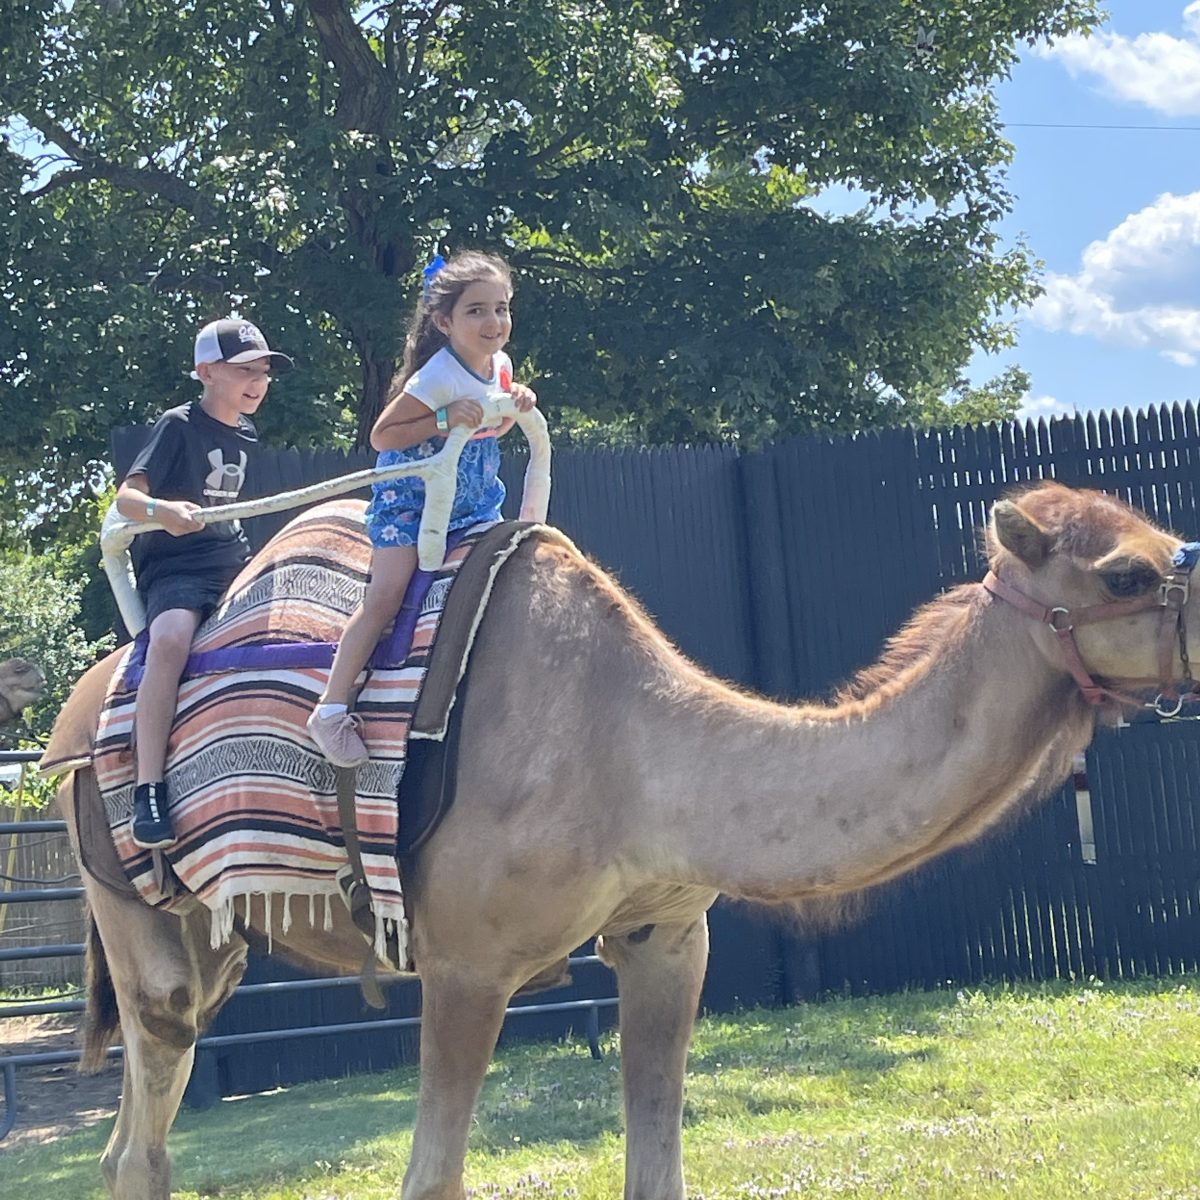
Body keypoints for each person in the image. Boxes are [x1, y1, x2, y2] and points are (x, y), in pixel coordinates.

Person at [307, 250, 537, 767]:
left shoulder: (499, 365)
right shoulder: (435, 377)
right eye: (476, 310)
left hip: (472, 496)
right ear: (444, 321)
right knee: (386, 594)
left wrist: (513, 401)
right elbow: (383, 435)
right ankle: (330, 708)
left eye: (500, 308)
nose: (493, 321)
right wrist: (440, 417)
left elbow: (490, 427)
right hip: (412, 498)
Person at [116, 317, 294, 848]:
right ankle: (148, 786)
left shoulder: (247, 434)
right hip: (177, 567)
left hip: (230, 559)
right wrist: (161, 509)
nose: (257, 381)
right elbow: (126, 498)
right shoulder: (178, 424)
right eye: (244, 370)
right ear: (206, 372)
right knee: (169, 641)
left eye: (263, 371)